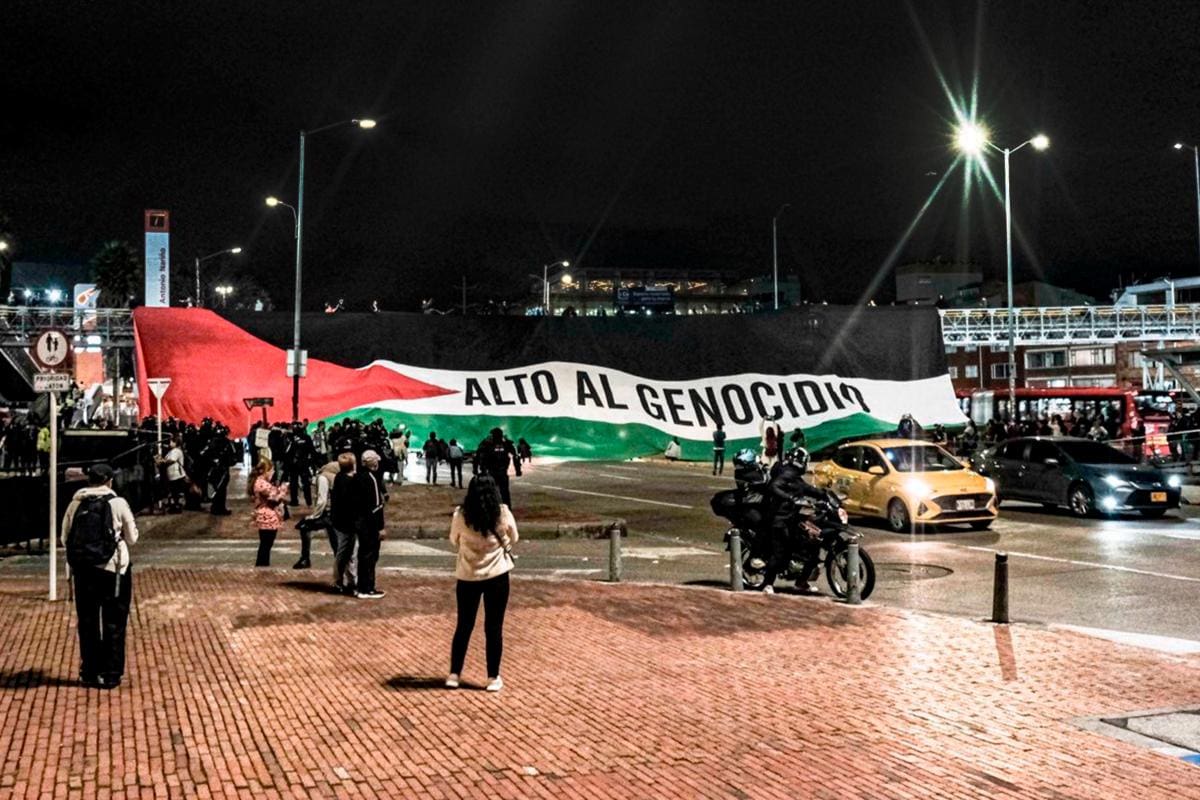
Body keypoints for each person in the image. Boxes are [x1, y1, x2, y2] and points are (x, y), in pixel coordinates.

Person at [62, 463, 139, 689]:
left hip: (83, 570)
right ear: (109, 481)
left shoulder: (76, 502)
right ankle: (111, 673)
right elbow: (132, 538)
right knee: (114, 621)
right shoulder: (118, 503)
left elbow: (65, 538)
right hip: (113, 570)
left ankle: (89, 671)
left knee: (87, 621)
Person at [446, 474, 518, 692]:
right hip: (497, 575)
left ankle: (454, 674)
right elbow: (514, 537)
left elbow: (453, 539)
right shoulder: (502, 512)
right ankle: (492, 677)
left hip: (468, 575)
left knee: (464, 626)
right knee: (493, 627)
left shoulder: (461, 514)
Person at [761, 447, 825, 594]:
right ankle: (768, 583)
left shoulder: (794, 477)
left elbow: (806, 488)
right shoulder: (787, 473)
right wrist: (790, 498)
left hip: (792, 517)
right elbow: (774, 486)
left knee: (811, 546)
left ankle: (801, 581)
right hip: (780, 518)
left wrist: (825, 495)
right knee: (780, 551)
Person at [353, 450, 387, 599]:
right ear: (372, 462)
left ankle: (361, 586)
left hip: (360, 521)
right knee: (370, 555)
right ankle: (368, 588)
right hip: (370, 524)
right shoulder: (372, 479)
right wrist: (380, 527)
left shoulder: (357, 477)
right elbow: (376, 506)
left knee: (363, 554)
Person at [249, 454, 288, 567]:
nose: (272, 474)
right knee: (266, 545)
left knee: (266, 545)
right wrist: (283, 491)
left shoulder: (261, 482)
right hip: (267, 517)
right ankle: (262, 567)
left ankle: (263, 565)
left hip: (268, 516)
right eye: (270, 471)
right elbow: (274, 499)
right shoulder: (261, 484)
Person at [329, 453, 359, 594]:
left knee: (346, 552)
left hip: (338, 521)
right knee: (347, 552)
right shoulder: (350, 482)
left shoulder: (339, 478)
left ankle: (344, 580)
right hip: (346, 522)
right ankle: (345, 581)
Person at [476, 427, 521, 507]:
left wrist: (478, 469)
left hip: (491, 471)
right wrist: (518, 470)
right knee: (504, 492)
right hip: (502, 471)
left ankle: (492, 508)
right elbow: (516, 456)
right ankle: (507, 508)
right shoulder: (506, 443)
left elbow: (478, 455)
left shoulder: (487, 443)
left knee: (490, 491)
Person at [161, 436, 186, 513]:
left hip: (176, 474)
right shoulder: (172, 451)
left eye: (172, 441)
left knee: (175, 492)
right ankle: (175, 506)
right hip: (172, 474)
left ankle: (176, 507)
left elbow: (172, 460)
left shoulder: (176, 451)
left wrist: (162, 461)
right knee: (174, 492)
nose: (170, 443)